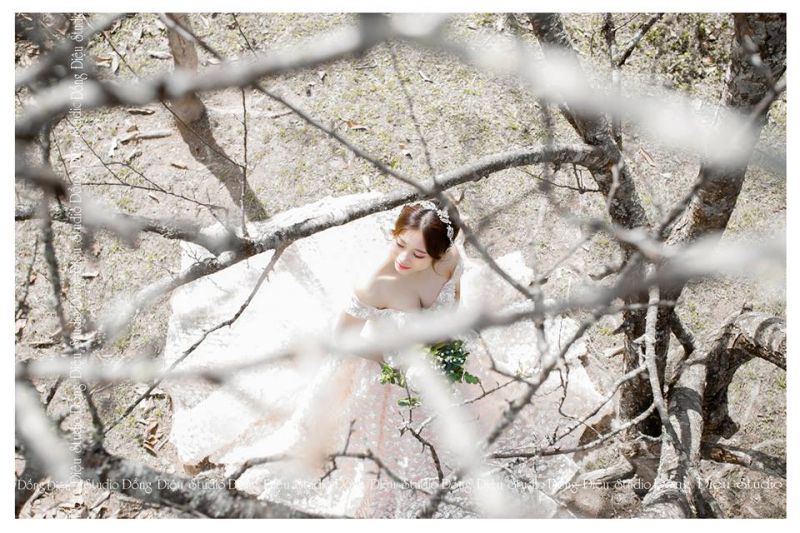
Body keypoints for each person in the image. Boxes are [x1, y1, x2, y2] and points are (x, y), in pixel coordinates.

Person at [162, 193, 611, 518]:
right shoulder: (375, 284)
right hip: (381, 366)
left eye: (418, 254)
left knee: (486, 412)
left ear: (440, 253)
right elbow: (343, 339)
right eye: (400, 245)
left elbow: (452, 298)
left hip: (437, 349)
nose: (404, 259)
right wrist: (392, 365)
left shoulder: (451, 261)